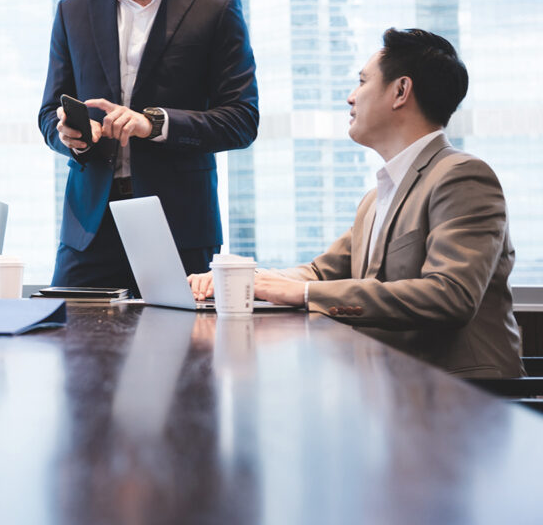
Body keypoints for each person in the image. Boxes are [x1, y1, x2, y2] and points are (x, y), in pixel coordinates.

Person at [190, 28, 524, 378]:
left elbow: (449, 295)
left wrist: (300, 292)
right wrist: (239, 279)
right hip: (395, 385)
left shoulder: (461, 176)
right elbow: (321, 273)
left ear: (400, 91)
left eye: (362, 82)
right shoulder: (375, 198)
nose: (351, 97)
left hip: (464, 395)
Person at [39, 0, 259, 292]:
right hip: (89, 227)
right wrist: (68, 135)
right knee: (75, 348)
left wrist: (152, 124)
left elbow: (243, 119)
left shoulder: (217, 9)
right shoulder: (73, 11)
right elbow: (49, 113)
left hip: (179, 226)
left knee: (181, 352)